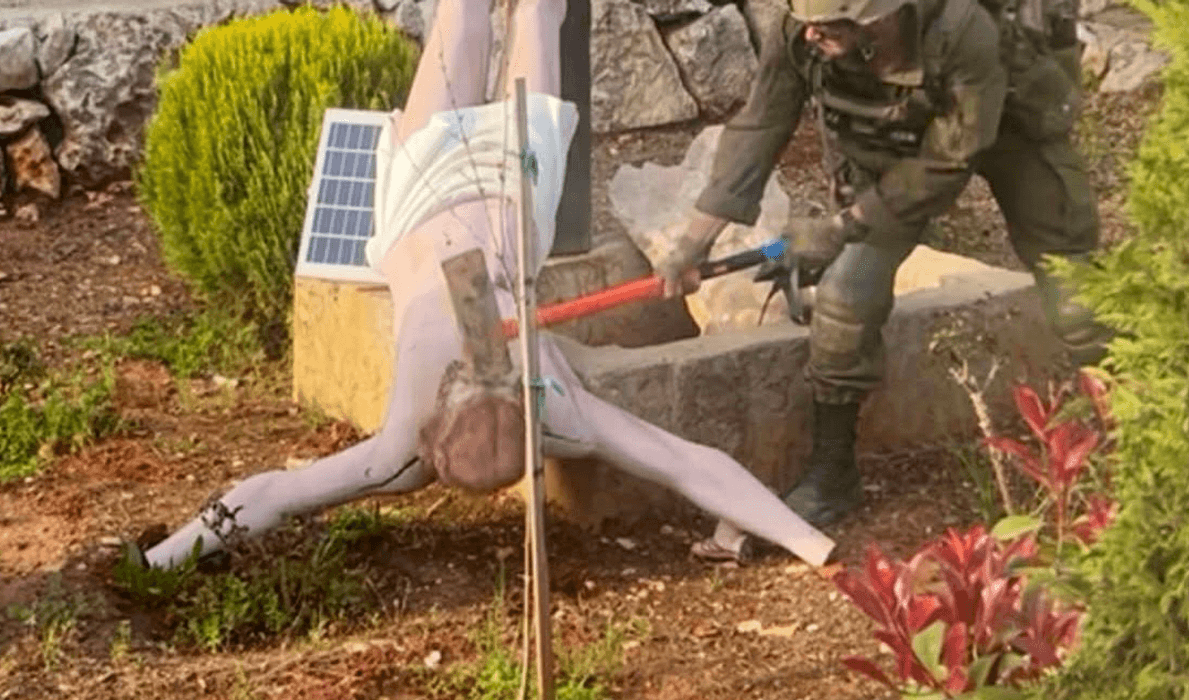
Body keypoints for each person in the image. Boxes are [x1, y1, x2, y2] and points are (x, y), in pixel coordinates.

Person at [130, 0, 838, 572]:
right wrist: (814, 548)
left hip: (447, 194)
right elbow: (691, 465)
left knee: (472, 16)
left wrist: (164, 557)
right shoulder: (557, 413)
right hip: (503, 189)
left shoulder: (403, 452)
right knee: (525, 13)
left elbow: (274, 495)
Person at [663, 0, 1111, 562]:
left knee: (1071, 286)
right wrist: (694, 240)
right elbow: (761, 122)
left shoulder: (962, 27)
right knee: (846, 296)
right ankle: (832, 473)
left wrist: (842, 224)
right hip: (892, 146)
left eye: (828, 27)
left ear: (876, 18)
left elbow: (950, 158)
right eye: (809, 23)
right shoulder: (803, 28)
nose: (812, 35)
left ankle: (1126, 431)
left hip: (1005, 117)